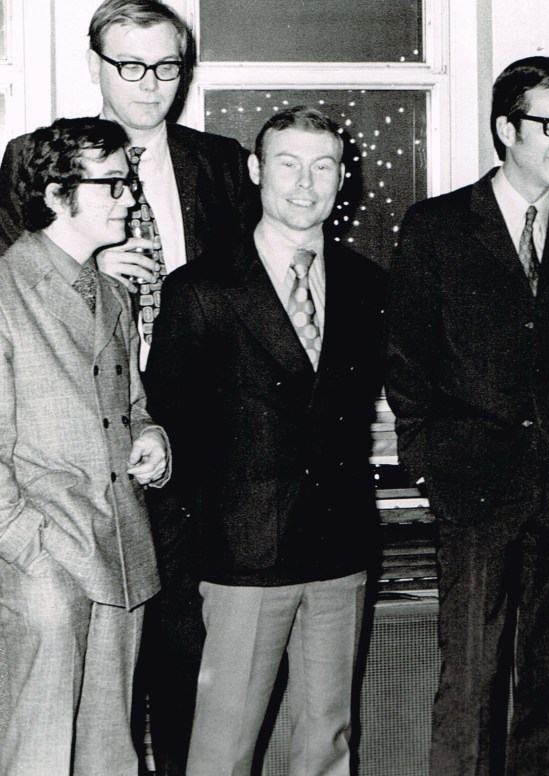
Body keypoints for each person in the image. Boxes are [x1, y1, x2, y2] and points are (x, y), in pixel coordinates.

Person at [0, 3, 257, 771]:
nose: (151, 83)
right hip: (50, 510)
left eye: (168, 66)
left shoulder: (216, 166)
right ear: (96, 67)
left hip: (158, 477)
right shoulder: (37, 176)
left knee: (156, 679)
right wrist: (82, 265)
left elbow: (240, 301)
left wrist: (155, 431)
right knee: (46, 720)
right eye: (131, 65)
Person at [384, 56, 549, 776]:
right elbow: (406, 359)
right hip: (474, 488)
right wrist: (428, 460)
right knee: (470, 678)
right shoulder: (436, 228)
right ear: (506, 128)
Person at [144, 106, 389, 776]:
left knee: (328, 738)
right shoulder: (200, 289)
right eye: (288, 164)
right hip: (241, 557)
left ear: (342, 177)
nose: (305, 184)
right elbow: (166, 433)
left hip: (339, 547)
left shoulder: (368, 284)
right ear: (256, 171)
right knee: (223, 747)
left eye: (322, 166)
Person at [0, 116, 171, 773]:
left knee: (109, 756)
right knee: (37, 756)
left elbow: (131, 406)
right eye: (113, 184)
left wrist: (151, 436)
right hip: (44, 568)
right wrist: (33, 553)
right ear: (56, 194)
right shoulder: (7, 292)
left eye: (128, 182)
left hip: (119, 555)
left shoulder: (112, 294)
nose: (129, 198)